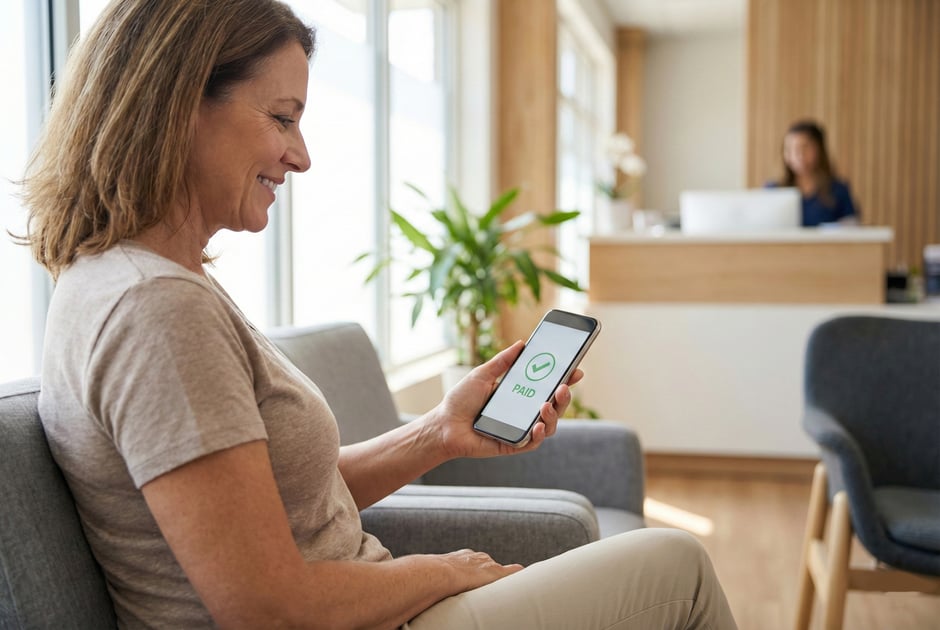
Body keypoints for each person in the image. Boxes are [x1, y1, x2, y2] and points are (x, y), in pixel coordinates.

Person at [21, 1, 737, 628]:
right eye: (281, 118)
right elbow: (266, 609)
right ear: (179, 103)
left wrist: (438, 432)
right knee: (675, 563)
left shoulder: (129, 284)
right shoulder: (155, 310)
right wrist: (446, 571)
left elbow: (277, 509)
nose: (299, 157)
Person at [769, 119, 859, 227]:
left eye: (805, 147)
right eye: (791, 149)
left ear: (819, 150)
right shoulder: (773, 191)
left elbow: (851, 228)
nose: (798, 155)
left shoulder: (838, 190)